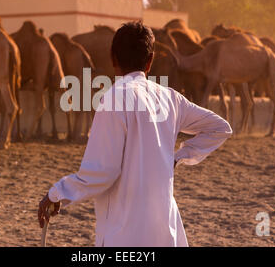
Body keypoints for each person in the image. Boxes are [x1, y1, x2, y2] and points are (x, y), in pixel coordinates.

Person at [37, 21, 232, 247]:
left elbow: (102, 172)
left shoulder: (112, 99)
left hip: (123, 237)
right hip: (165, 233)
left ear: (113, 59)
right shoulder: (171, 99)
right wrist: (179, 157)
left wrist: (57, 193)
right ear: (150, 62)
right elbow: (220, 128)